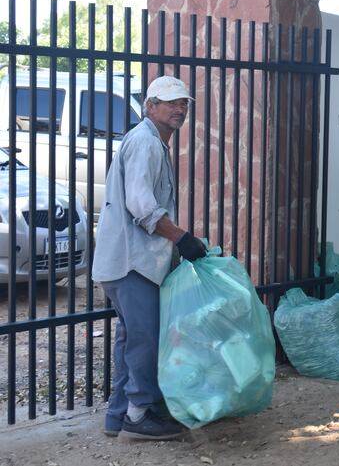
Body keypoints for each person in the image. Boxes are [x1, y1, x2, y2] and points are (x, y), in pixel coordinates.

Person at [92, 76, 208, 439]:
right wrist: (182, 238)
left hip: (127, 261)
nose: (179, 109)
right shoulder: (145, 143)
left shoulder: (153, 141)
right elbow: (142, 206)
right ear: (150, 106)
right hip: (132, 262)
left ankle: (119, 414)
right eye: (171, 102)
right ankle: (140, 414)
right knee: (145, 338)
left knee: (132, 337)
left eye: (184, 103)